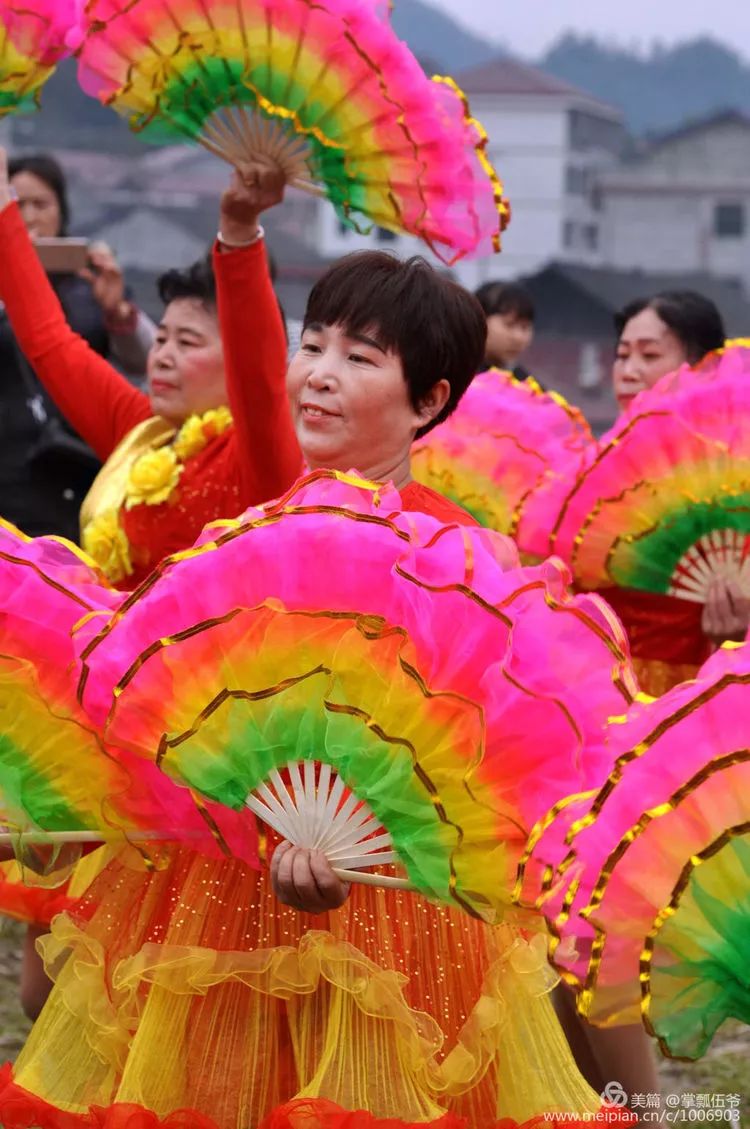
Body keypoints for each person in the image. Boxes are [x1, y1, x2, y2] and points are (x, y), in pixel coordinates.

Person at [0, 216, 660, 1124]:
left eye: (359, 357)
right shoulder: (254, 543)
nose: (318, 372)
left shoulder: (460, 565)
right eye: (313, 344)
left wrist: (366, 851)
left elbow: (490, 780)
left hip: (403, 916)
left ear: (428, 400)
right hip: (223, 889)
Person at [0, 145, 301, 1021]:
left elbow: (260, 366)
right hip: (99, 730)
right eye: (159, 336)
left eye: (187, 340)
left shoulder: (257, 456)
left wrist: (238, 236)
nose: (162, 354)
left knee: (144, 996)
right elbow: (49, 339)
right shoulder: (139, 432)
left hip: (204, 747)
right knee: (46, 984)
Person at [2, 153, 157, 542]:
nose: (31, 217)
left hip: (75, 466)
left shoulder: (89, 283)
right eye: (17, 205)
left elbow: (149, 365)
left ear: (62, 210)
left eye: (42, 204)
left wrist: (118, 310)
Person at [608, 290, 749, 693]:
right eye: (622, 354)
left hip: (708, 701)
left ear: (701, 367)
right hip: (613, 695)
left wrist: (735, 639)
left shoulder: (735, 472)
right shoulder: (592, 474)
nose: (629, 370)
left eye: (649, 356)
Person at [474, 279, 535, 379]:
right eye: (509, 325)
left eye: (525, 327)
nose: (518, 337)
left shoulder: (527, 385)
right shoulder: (457, 376)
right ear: (480, 319)